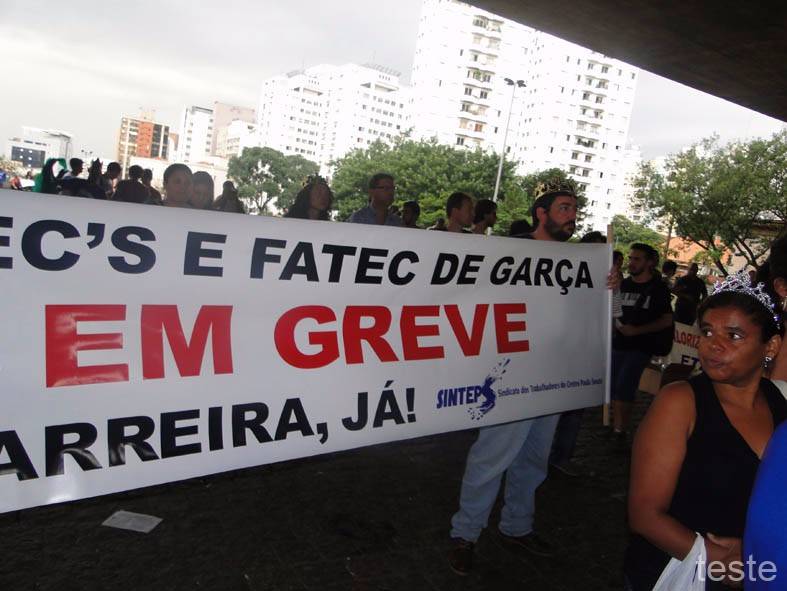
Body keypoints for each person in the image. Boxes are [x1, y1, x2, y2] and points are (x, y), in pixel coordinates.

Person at [448, 179, 581, 575]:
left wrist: (607, 288)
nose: (572, 216)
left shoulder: (580, 263)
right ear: (541, 213)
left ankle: (517, 526)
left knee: (534, 459)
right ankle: (465, 534)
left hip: (552, 377)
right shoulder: (510, 252)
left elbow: (592, 316)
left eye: (574, 210)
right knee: (492, 456)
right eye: (563, 208)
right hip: (509, 374)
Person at [624, 271, 785, 590]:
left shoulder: (779, 403)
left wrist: (757, 553)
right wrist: (720, 559)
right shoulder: (680, 401)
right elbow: (644, 514)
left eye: (734, 335)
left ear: (771, 346)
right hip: (677, 571)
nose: (713, 345)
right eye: (708, 332)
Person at [549, 230, 608, 476]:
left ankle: (562, 456)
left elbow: (614, 316)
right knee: (550, 406)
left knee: (575, 408)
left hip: (586, 352)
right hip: (559, 350)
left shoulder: (608, 281)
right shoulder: (564, 274)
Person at [611, 244, 673, 439]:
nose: (631, 263)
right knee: (614, 385)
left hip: (641, 347)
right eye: (630, 258)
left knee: (624, 386)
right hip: (619, 344)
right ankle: (618, 425)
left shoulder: (658, 289)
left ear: (649, 263)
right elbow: (614, 311)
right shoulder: (623, 285)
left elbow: (666, 320)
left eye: (637, 259)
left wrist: (637, 331)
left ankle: (620, 429)